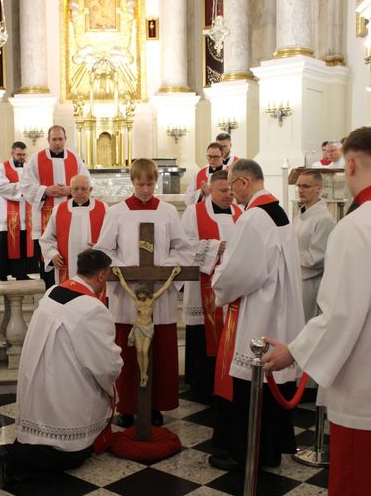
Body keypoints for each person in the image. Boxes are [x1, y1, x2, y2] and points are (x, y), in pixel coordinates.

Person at [263, 126, 371, 496]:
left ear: (348, 165)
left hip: (363, 378)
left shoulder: (356, 227)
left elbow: (342, 312)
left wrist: (294, 351)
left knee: (355, 485)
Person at [0, 249, 122, 484]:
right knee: (73, 454)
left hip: (38, 392)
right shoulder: (92, 309)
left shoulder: (53, 291)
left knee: (40, 438)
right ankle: (11, 459)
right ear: (101, 275)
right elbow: (105, 366)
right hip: (64, 395)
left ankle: (15, 454)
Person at [95, 158, 211, 427]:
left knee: (159, 352)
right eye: (140, 183)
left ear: (155, 182)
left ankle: (155, 405)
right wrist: (128, 271)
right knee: (127, 350)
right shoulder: (117, 212)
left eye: (150, 184)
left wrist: (163, 270)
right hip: (127, 294)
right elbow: (104, 250)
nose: (146, 189)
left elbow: (183, 248)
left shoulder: (168, 212)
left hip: (160, 292)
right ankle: (127, 406)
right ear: (132, 181)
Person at [210, 159, 304, 469]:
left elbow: (240, 272)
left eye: (233, 186)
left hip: (261, 313)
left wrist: (217, 283)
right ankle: (272, 449)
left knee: (253, 383)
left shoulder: (253, 217)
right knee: (272, 385)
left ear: (244, 182)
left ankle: (249, 454)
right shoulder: (278, 211)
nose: (232, 194)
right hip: (281, 309)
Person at [182, 169, 241, 404]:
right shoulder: (193, 213)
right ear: (210, 189)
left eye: (231, 190)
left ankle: (226, 380)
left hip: (232, 288)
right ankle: (202, 385)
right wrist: (216, 247)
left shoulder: (240, 212)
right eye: (223, 190)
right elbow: (184, 247)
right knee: (202, 334)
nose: (229, 195)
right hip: (202, 287)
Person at [20, 125, 90, 287]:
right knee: (49, 261)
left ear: (65, 140)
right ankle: (50, 294)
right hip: (45, 215)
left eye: (60, 139)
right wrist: (46, 190)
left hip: (72, 217)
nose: (57, 143)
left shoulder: (74, 159)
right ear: (48, 140)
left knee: (72, 257)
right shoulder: (36, 159)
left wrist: (70, 190)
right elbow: (25, 185)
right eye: (54, 139)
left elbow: (87, 182)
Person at [113, 265, 181, 387]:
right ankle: (143, 374)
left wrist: (172, 275)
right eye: (140, 293)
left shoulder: (152, 299)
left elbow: (165, 288)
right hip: (138, 327)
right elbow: (125, 287)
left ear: (146, 293)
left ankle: (145, 374)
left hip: (148, 327)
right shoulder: (136, 300)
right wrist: (119, 275)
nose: (142, 295)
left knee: (145, 351)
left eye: (144, 293)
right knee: (139, 351)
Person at [40, 174, 107, 283]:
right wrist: (53, 255)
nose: (79, 192)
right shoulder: (59, 210)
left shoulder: (103, 208)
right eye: (76, 189)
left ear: (90, 189)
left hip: (95, 265)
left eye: (84, 189)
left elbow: (111, 237)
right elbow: (47, 239)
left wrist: (102, 247)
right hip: (66, 265)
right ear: (70, 190)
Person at [293, 170, 336, 321]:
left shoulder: (324, 219)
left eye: (306, 186)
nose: (301, 190)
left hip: (310, 283)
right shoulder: (301, 215)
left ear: (318, 188)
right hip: (296, 277)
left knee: (303, 323)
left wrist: (289, 256)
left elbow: (317, 257)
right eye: (299, 186)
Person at [0, 141, 36, 281]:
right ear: (12, 153)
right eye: (19, 154)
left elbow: (34, 185)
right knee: (5, 244)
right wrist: (22, 188)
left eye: (24, 154)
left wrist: (25, 189)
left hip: (25, 212)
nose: (21, 157)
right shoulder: (3, 167)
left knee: (22, 243)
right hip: (7, 213)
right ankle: (2, 273)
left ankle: (21, 273)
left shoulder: (29, 167)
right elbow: (1, 187)